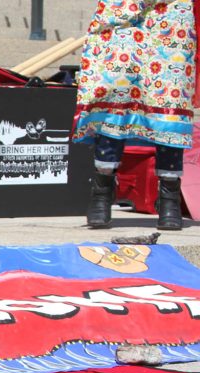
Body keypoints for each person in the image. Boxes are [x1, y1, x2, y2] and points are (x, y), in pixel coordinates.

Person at [74, 0, 196, 230]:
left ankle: (169, 194)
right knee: (113, 93)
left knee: (170, 97)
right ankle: (103, 188)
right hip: (121, 10)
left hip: (170, 12)